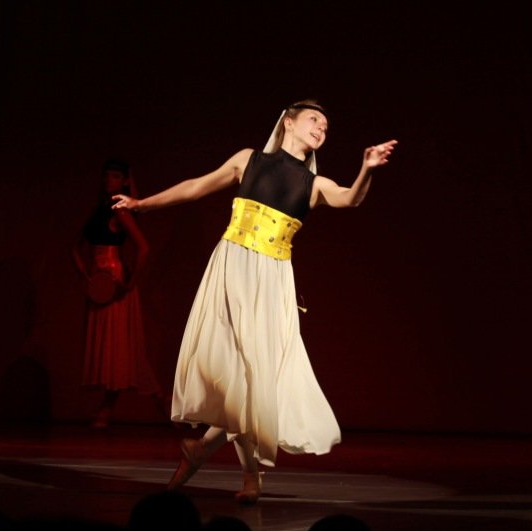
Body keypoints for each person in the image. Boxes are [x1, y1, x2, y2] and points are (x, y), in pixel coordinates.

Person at [111, 100, 397, 503]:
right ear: (288, 122)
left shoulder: (314, 184)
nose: (321, 128)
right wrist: (143, 204)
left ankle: (204, 453)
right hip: (233, 268)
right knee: (241, 372)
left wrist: (367, 169)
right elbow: (195, 186)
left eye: (326, 126)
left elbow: (350, 199)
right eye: (314, 120)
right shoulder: (249, 160)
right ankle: (245, 475)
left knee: (256, 376)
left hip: (272, 280)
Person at [72, 158, 165, 429]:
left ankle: (109, 409)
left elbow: (144, 248)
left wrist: (129, 283)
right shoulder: (99, 210)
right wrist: (87, 277)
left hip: (114, 284)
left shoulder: (120, 212)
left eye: (114, 176)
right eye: (106, 175)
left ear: (124, 181)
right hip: (100, 285)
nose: (108, 180)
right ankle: (157, 400)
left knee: (120, 347)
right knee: (116, 348)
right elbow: (76, 249)